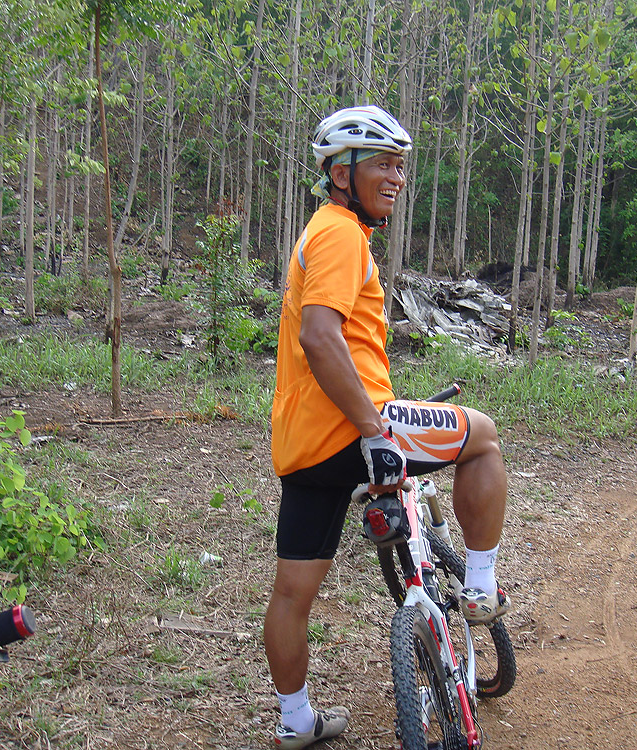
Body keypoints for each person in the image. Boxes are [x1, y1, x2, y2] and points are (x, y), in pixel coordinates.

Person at [264, 105, 510, 749]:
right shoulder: (341, 235)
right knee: (483, 437)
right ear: (341, 173)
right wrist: (374, 429)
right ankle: (480, 587)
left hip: (302, 447)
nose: (396, 177)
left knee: (292, 594)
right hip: (357, 428)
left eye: (400, 166)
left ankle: (296, 721)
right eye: (382, 164)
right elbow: (320, 337)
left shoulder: (318, 234)